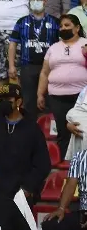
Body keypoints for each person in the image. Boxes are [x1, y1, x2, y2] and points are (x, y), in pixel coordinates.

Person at [0, 83, 50, 204]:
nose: (3, 103)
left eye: (8, 100)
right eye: (1, 100)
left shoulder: (32, 128)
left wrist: (27, 188)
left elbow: (43, 165)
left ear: (18, 102)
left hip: (21, 193)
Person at [38, 14, 87, 158]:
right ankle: (66, 166)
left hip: (81, 97)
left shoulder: (85, 43)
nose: (63, 28)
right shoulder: (53, 48)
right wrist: (40, 94)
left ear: (77, 28)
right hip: (57, 97)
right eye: (61, 26)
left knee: (81, 129)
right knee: (63, 131)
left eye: (67, 25)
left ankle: (82, 165)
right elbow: (44, 72)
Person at [8, 0, 60, 114]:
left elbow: (61, 44)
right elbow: (13, 43)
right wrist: (11, 66)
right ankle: (30, 128)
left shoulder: (55, 22)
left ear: (45, 1)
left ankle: (47, 129)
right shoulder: (22, 21)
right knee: (29, 100)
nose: (34, 2)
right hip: (28, 66)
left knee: (47, 99)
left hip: (48, 67)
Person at [42, 147, 87, 230]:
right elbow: (70, 185)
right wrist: (61, 208)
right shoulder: (79, 157)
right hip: (83, 212)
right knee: (50, 224)